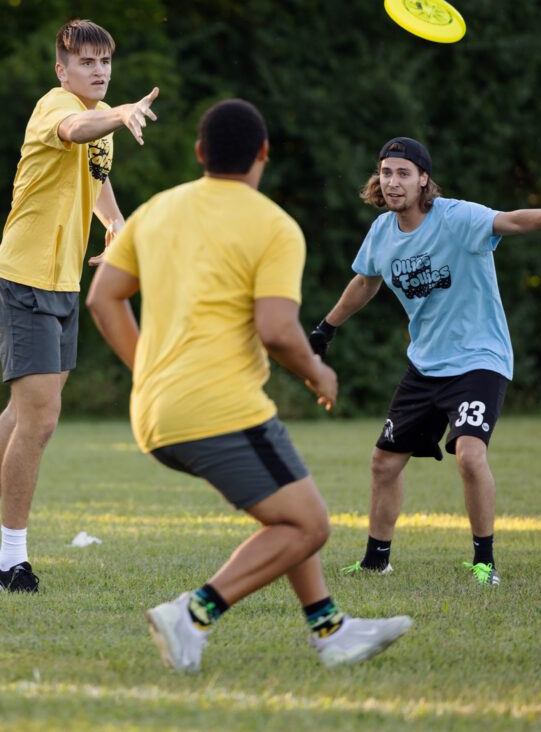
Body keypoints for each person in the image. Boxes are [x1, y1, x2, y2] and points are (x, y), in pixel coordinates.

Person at [86, 99, 412, 672]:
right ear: (263, 154)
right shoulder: (273, 226)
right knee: (309, 524)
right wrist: (319, 371)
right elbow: (278, 331)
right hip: (221, 409)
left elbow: (103, 298)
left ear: (198, 153)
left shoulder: (157, 210)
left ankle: (330, 629)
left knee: (290, 509)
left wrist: (148, 373)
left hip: (158, 413)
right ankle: (192, 614)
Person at [309, 136, 541, 586]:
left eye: (404, 173)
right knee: (384, 462)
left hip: (479, 358)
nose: (393, 182)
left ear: (424, 180)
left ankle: (484, 564)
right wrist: (326, 329)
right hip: (426, 365)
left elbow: (508, 222)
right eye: (386, 173)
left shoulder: (457, 217)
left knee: (468, 454)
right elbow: (365, 282)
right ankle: (376, 561)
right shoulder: (382, 231)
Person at [0, 19, 160, 592]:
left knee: (22, 417)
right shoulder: (57, 106)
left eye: (104, 62)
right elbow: (73, 128)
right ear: (61, 69)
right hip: (27, 277)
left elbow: (98, 178)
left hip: (65, 281)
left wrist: (115, 223)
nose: (98, 71)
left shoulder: (104, 121)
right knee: (41, 420)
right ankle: (10, 558)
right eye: (86, 62)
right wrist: (116, 114)